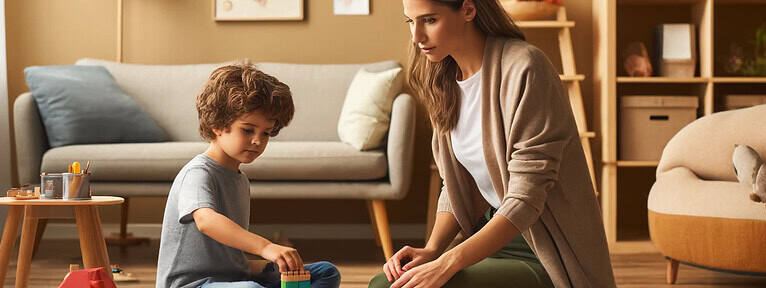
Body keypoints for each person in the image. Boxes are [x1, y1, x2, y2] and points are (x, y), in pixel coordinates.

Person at [369, 0, 616, 287]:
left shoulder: (525, 68)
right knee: (384, 284)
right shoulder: (444, 79)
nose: (417, 36)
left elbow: (526, 199)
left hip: (543, 248)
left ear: (468, 10)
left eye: (430, 20)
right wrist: (433, 249)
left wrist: (448, 262)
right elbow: (460, 183)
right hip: (488, 235)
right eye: (410, 21)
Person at [157, 63, 340, 288]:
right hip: (194, 284)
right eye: (247, 130)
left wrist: (273, 263)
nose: (257, 141)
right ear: (217, 124)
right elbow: (206, 221)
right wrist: (266, 247)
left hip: (234, 279)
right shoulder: (197, 173)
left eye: (266, 133)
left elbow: (227, 259)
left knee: (325, 272)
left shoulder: (239, 179)